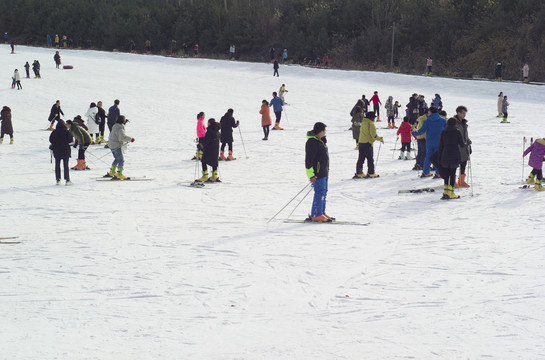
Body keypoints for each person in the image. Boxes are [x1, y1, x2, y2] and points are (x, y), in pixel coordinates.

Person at [305, 122, 331, 222]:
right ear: (320, 131)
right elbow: (308, 161)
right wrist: (311, 175)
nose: (325, 133)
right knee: (319, 192)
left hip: (324, 172)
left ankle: (321, 212)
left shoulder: (319, 141)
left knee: (324, 192)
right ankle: (316, 214)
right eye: (324, 131)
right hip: (317, 174)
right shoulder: (312, 142)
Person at [412, 107, 447, 177]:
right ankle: (438, 173)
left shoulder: (427, 120)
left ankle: (425, 172)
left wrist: (414, 133)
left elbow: (421, 131)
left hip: (430, 142)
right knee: (438, 157)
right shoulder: (443, 120)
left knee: (428, 157)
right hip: (440, 141)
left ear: (430, 112)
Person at [437, 117, 466, 199]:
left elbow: (440, 145)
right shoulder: (457, 131)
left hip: (445, 153)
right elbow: (462, 144)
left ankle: (445, 192)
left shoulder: (443, 132)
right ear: (455, 123)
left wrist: (440, 155)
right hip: (454, 153)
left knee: (446, 174)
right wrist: (467, 143)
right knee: (452, 174)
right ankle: (451, 193)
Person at [354, 112, 383, 178]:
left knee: (361, 159)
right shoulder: (371, 124)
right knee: (370, 159)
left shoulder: (363, 123)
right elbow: (374, 136)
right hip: (368, 143)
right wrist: (380, 139)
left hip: (361, 143)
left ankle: (359, 172)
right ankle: (371, 172)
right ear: (371, 118)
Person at [106, 115, 135, 180]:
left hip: (111, 145)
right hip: (116, 145)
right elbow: (121, 138)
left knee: (116, 159)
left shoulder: (115, 126)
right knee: (121, 160)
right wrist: (130, 139)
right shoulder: (120, 128)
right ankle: (119, 174)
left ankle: (112, 172)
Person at [452, 106, 471, 188]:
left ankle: (461, 180)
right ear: (458, 113)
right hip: (456, 146)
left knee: (464, 163)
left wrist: (468, 141)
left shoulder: (464, 123)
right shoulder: (453, 122)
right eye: (463, 113)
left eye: (465, 113)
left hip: (465, 146)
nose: (464, 115)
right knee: (455, 164)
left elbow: (465, 134)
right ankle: (453, 181)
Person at [49, 119, 73, 185]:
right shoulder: (67, 132)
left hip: (56, 151)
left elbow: (51, 140)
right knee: (66, 165)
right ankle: (67, 180)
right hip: (65, 150)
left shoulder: (54, 132)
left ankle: (58, 179)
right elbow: (70, 140)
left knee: (57, 165)